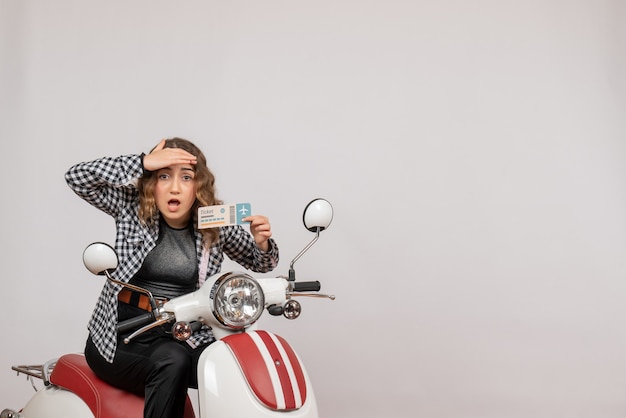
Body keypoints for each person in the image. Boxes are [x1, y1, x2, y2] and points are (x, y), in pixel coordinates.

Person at [65, 137, 279, 418]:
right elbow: (77, 177)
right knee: (172, 361)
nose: (175, 187)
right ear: (151, 182)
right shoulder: (131, 208)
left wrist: (262, 243)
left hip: (183, 334)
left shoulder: (212, 221)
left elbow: (261, 263)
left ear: (198, 186)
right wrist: (142, 162)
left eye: (186, 177)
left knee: (232, 360)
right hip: (123, 336)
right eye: (164, 175)